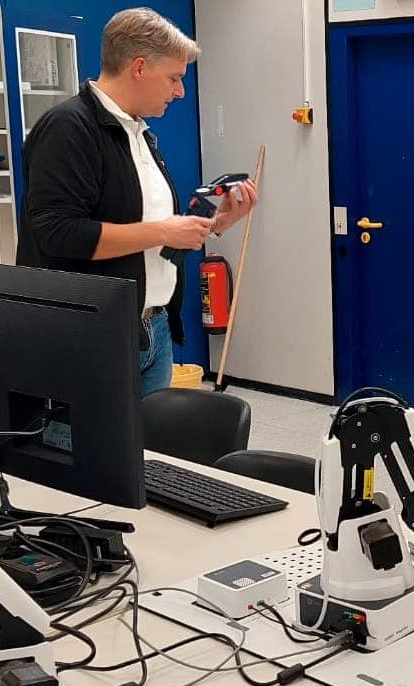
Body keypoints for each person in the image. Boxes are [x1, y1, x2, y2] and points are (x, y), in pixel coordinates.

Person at [17, 7, 257, 396]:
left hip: (152, 328)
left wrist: (212, 227)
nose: (180, 91)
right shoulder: (68, 128)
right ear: (139, 67)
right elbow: (58, 234)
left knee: (150, 454)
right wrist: (163, 230)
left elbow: (145, 239)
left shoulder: (139, 132)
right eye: (174, 78)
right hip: (92, 335)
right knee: (97, 454)